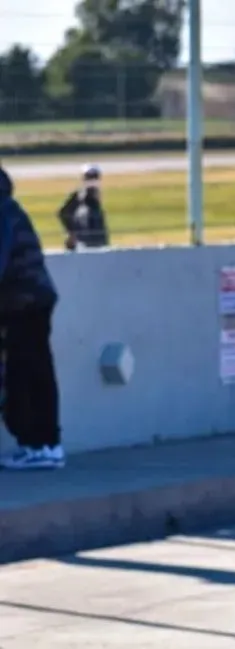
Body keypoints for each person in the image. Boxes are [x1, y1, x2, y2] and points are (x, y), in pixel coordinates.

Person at [0, 164, 64, 470]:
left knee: (23, 375)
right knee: (38, 372)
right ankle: (48, 444)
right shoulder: (8, 207)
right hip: (35, 298)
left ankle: (37, 444)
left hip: (22, 302)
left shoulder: (1, 211)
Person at [57, 163, 109, 250]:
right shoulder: (80, 195)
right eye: (89, 177)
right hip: (85, 240)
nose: (92, 180)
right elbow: (63, 212)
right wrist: (72, 232)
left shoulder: (94, 194)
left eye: (94, 176)